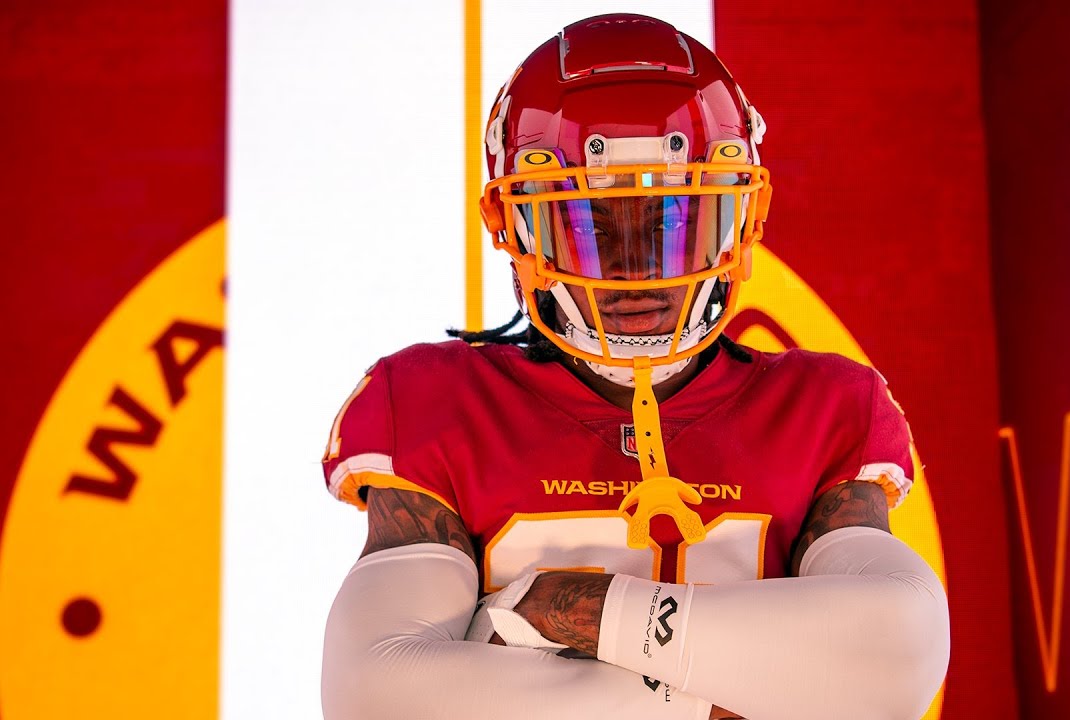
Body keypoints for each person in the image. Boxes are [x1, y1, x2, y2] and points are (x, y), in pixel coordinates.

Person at [319, 13, 949, 720]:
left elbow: (900, 650)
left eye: (672, 222)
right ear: (516, 229)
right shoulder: (433, 400)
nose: (633, 270)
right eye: (587, 225)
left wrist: (579, 609)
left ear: (739, 220)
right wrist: (730, 697)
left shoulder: (827, 403)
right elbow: (378, 693)